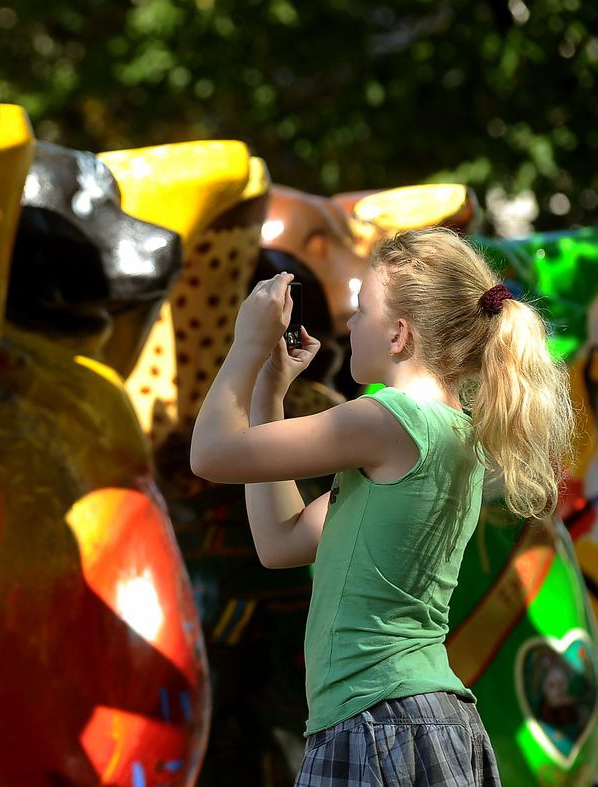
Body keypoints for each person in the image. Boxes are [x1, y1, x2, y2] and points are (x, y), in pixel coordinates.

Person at [191, 227, 573, 786]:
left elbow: (210, 454)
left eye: (361, 310)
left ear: (399, 333)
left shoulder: (388, 420)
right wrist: (269, 393)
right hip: (417, 720)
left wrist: (247, 345)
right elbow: (281, 541)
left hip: (378, 723)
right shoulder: (445, 434)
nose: (349, 325)